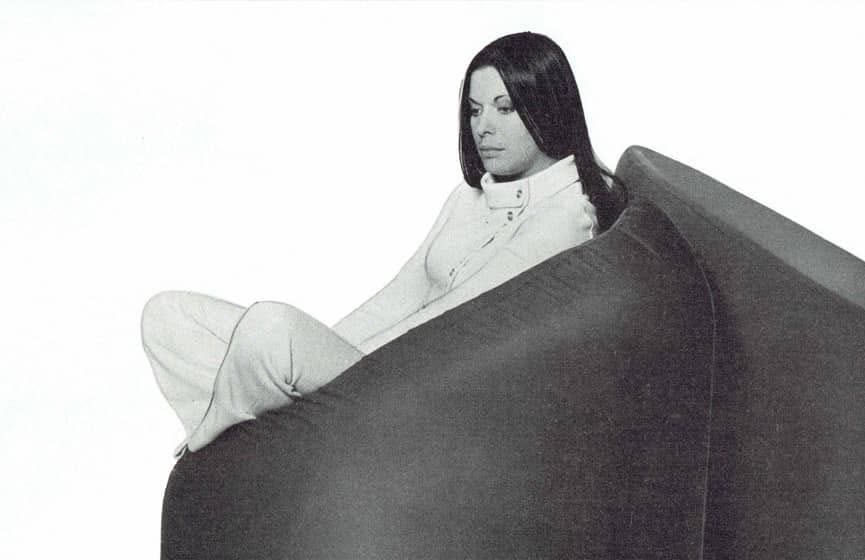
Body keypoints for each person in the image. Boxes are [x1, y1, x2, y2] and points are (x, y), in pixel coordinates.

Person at [141, 32, 626, 457]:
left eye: (505, 108)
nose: (483, 127)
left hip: (423, 390)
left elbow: (449, 322)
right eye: (475, 110)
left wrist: (321, 374)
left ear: (547, 109)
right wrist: (318, 359)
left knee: (269, 328)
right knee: (168, 316)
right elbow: (399, 296)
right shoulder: (469, 198)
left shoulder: (566, 218)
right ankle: (261, 418)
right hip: (373, 373)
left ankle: (225, 441)